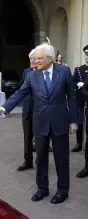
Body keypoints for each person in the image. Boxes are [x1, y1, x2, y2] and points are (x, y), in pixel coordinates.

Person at [0, 43, 77, 204]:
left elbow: (72, 97)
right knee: (41, 158)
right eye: (34, 59)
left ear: (49, 58)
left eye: (39, 59)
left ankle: (62, 190)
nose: (35, 61)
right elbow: (20, 93)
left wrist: (74, 121)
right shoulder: (32, 75)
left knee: (61, 159)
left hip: (60, 121)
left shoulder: (64, 71)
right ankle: (42, 189)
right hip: (40, 122)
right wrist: (4, 108)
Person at [72, 44, 88, 178]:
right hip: (81, 100)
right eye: (86, 54)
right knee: (80, 122)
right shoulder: (79, 69)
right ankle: (79, 143)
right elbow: (72, 83)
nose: (87, 57)